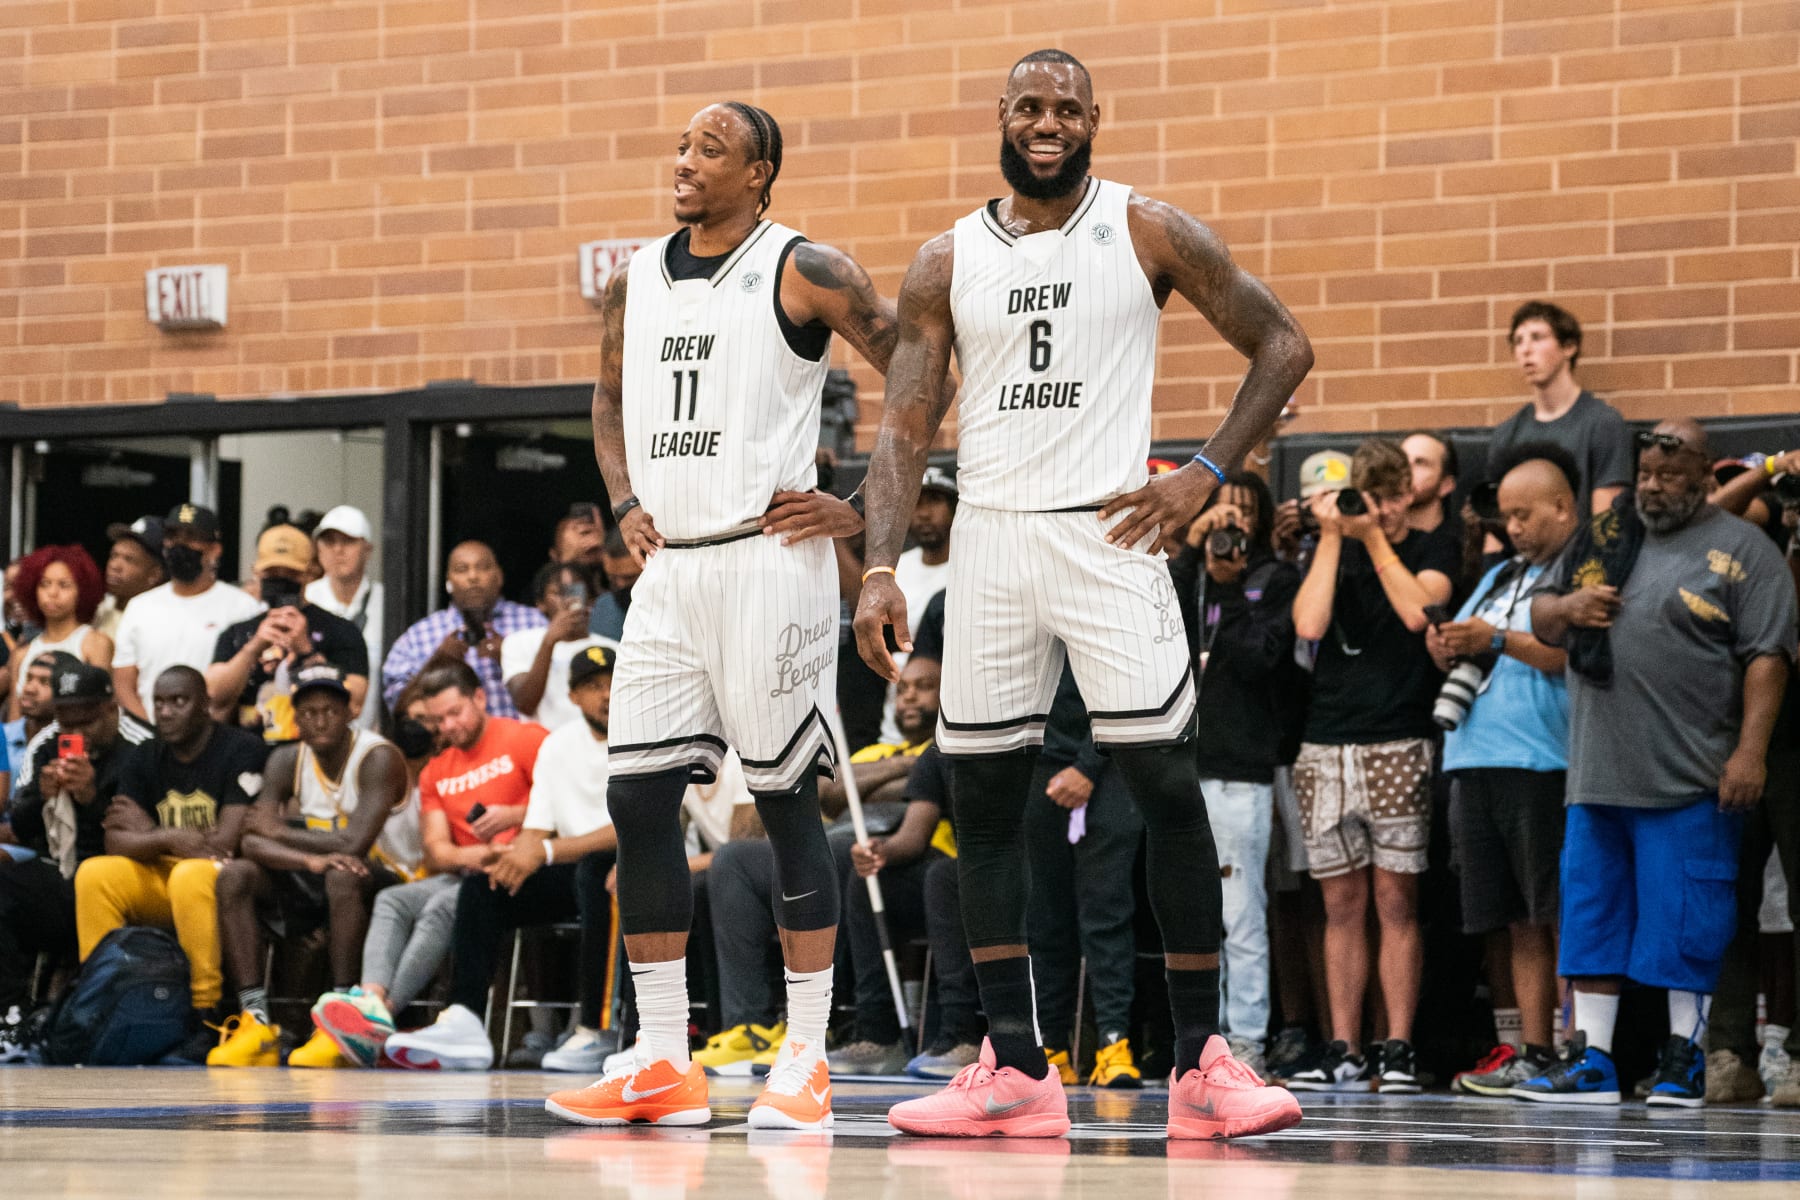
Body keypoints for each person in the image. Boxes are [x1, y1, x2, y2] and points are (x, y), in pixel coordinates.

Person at [853, 49, 1311, 1139]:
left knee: (1164, 787)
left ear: (1094, 118)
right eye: (1028, 106)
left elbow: (1283, 346)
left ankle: (1205, 1063)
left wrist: (1202, 477)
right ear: (1001, 119)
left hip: (1112, 533)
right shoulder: (943, 259)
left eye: (1066, 107)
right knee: (985, 803)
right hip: (996, 541)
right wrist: (877, 563)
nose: (1047, 122)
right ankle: (1013, 1066)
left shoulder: (1148, 229)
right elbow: (906, 426)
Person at [545, 97, 901, 1135]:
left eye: (712, 149)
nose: (685, 162)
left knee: (787, 803)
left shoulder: (806, 268)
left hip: (770, 557)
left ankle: (805, 1056)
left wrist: (867, 503)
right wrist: (621, 503)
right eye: (682, 146)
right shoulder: (636, 279)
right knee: (640, 801)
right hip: (672, 571)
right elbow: (606, 403)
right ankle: (662, 1057)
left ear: (761, 174)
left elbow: (926, 374)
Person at [1519, 418, 1797, 1107]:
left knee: (1687, 921)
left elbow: (1768, 656)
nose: (1652, 486)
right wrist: (1570, 604)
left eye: (1670, 477)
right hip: (1596, 773)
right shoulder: (1606, 535)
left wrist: (1750, 753)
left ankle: (1685, 1060)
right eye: (1645, 474)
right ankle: (1595, 1062)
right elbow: (1542, 614)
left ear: (1705, 478)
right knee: (1592, 917)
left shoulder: (1744, 550)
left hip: (1692, 776)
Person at [1284, 437, 1458, 1093]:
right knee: (1341, 905)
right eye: (1369, 497)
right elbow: (1308, 623)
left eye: (1389, 498)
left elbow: (1421, 612)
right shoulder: (1335, 546)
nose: (1378, 511)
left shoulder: (1430, 548)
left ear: (1407, 496)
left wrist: (1376, 538)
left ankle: (1398, 1047)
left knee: (1396, 899)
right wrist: (1333, 536)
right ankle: (1344, 1047)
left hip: (1398, 738)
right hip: (1327, 744)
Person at [384, 645, 621, 1072]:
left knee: (594, 873)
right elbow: (538, 822)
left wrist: (541, 850)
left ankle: (594, 1030)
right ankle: (466, 1021)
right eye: (593, 687)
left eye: (612, 684)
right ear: (572, 697)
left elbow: (629, 829)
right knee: (485, 883)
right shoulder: (558, 744)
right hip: (568, 867)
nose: (605, 695)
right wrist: (516, 858)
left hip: (626, 868)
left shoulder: (641, 738)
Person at [1426, 446, 1580, 1096]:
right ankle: (1533, 1049)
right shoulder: (1501, 573)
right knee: (1513, 918)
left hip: (1540, 759)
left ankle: (1580, 1046)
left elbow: (1565, 653)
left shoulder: (1580, 571)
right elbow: (1475, 636)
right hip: (1476, 756)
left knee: (1556, 913)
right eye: (1506, 516)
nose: (1512, 526)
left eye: (1524, 514)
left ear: (1563, 507)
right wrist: (1448, 645)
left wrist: (1492, 639)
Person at [313, 661, 546, 1067]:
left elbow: (563, 802)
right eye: (439, 720)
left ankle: (379, 1016)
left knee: (442, 907)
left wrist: (512, 815)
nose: (449, 727)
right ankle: (371, 997)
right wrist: (482, 855)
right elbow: (438, 851)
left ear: (480, 697)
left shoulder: (526, 738)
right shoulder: (437, 769)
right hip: (469, 871)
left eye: (455, 713)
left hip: (526, 868)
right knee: (393, 899)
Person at [207, 665, 409, 1068]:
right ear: (295, 717)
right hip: (315, 873)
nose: (319, 720)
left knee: (342, 874)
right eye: (309, 712)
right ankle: (256, 1020)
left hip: (386, 878)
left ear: (351, 712)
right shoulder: (286, 758)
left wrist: (280, 832)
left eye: (330, 710)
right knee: (236, 875)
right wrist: (309, 859)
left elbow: (355, 844)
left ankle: (340, 1020)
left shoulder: (378, 756)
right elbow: (251, 839)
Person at [1170, 471, 1302, 1079]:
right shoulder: (1191, 574)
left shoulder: (1273, 580)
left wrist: (1229, 589)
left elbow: (1258, 660)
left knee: (1241, 911)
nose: (1233, 526)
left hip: (1241, 768)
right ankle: (1196, 1040)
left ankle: (1245, 1038)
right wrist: (1192, 549)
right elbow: (1156, 617)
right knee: (1190, 911)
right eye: (1224, 513)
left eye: (1246, 514)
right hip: (1181, 765)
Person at [73, 666, 264, 1041]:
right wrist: (171, 837)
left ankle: (204, 1014)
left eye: (179, 701)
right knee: (95, 873)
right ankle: (99, 1004)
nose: (166, 711)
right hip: (165, 873)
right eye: (159, 702)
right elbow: (115, 840)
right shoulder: (144, 755)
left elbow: (225, 843)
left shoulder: (241, 749)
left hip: (225, 882)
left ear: (205, 705)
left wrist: (149, 835)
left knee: (190, 875)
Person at [0, 660, 155, 1055]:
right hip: (57, 872)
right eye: (65, 723)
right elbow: (20, 823)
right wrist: (44, 798)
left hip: (118, 877)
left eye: (84, 723)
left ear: (111, 710)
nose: (73, 735)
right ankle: (11, 1013)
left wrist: (90, 798)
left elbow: (138, 833)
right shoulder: (48, 743)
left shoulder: (140, 748)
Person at [1024, 664, 1145, 1087]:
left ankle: (1114, 1043)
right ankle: (1051, 1049)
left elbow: (1130, 680)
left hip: (1112, 763)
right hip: (1037, 757)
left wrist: (1088, 766)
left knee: (1107, 911)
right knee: (1044, 917)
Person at [208, 525, 371, 742]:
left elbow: (354, 704)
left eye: (291, 573)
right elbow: (213, 696)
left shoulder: (341, 630)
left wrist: (305, 649)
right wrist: (254, 647)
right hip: (247, 752)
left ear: (309, 573)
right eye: (272, 573)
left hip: (312, 751)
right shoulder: (238, 632)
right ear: (256, 572)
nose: (280, 580)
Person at [112, 504, 262, 721]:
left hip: (217, 737)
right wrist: (149, 735)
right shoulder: (139, 607)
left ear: (214, 549)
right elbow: (124, 684)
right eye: (173, 536)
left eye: (192, 537)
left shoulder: (242, 607)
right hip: (150, 739)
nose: (180, 544)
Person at [1486, 301, 1632, 517]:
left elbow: (1607, 523)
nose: (1526, 349)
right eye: (1518, 341)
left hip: (1580, 548)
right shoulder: (1506, 434)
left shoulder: (1603, 423)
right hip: (1520, 548)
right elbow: (1496, 524)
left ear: (1568, 347)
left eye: (1537, 337)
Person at [381, 541, 545, 720]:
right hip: (451, 745)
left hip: (524, 743)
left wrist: (509, 656)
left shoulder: (535, 623)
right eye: (461, 569)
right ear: (448, 582)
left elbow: (563, 691)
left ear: (499, 577)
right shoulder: (418, 636)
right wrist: (438, 663)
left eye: (483, 568)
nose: (473, 576)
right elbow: (397, 709)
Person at [7, 544, 113, 719]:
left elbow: (101, 712)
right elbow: (14, 723)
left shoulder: (95, 643)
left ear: (83, 591)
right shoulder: (21, 654)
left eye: (64, 585)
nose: (52, 593)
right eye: (44, 584)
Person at [304, 505, 385, 731]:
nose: (338, 550)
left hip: (372, 736)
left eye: (348, 541)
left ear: (368, 549)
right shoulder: (306, 600)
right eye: (329, 542)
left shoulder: (387, 603)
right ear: (318, 549)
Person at [503, 562, 610, 731]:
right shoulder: (518, 642)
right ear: (540, 602)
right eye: (559, 593)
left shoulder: (611, 648)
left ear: (591, 599)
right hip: (541, 746)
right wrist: (550, 641)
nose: (569, 600)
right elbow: (525, 704)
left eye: (575, 591)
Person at [587, 527, 642, 643]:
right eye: (612, 577)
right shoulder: (604, 609)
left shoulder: (678, 606)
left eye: (629, 577)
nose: (620, 584)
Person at [1402, 432, 1457, 536]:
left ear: (1446, 485)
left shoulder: (1457, 547)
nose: (1405, 470)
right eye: (1402, 461)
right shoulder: (1371, 536)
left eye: (1420, 463)